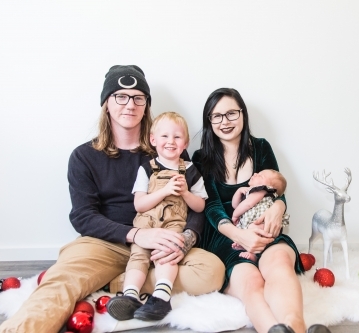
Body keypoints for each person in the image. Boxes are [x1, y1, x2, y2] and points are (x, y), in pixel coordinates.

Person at [0, 65, 224, 333]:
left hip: (162, 241)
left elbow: (194, 204)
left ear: (146, 106)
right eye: (121, 96)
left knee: (211, 271)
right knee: (62, 282)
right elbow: (83, 216)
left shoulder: (169, 149)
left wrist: (185, 240)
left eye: (138, 97)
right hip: (104, 244)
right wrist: (137, 235)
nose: (130, 104)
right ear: (106, 103)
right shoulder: (84, 156)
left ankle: (118, 284)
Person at [192, 88, 332, 333]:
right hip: (225, 235)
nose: (225, 122)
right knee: (251, 281)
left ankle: (296, 326)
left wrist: (278, 207)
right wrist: (240, 236)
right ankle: (272, 329)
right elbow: (211, 205)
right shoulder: (202, 158)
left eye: (231, 113)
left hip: (264, 227)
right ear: (209, 121)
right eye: (217, 116)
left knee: (279, 264)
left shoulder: (261, 147)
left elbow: (277, 188)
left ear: (243, 115)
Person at [106, 111, 208, 321]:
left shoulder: (190, 170)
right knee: (138, 257)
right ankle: (130, 295)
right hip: (146, 225)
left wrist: (185, 193)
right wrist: (164, 190)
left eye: (177, 137)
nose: (171, 141)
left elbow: (199, 207)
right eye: (164, 136)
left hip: (173, 225)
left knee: (166, 254)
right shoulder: (147, 168)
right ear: (153, 140)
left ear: (185, 143)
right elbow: (139, 204)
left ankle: (161, 297)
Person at [231, 169, 288, 262]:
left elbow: (248, 204)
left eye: (261, 176)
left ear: (269, 186)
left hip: (262, 222)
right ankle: (245, 245)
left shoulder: (262, 190)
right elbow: (235, 205)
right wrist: (238, 191)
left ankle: (253, 254)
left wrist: (235, 215)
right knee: (250, 231)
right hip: (253, 222)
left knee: (254, 229)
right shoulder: (250, 191)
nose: (255, 173)